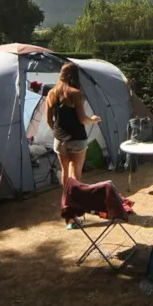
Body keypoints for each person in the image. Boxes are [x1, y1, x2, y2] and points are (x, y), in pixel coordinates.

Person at [46, 62, 101, 229]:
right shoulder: (76, 93)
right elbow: (82, 119)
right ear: (74, 76)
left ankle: (67, 209)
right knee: (75, 176)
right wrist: (94, 120)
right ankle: (72, 216)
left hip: (59, 140)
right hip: (76, 139)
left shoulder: (51, 93)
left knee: (65, 174)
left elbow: (49, 120)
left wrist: (57, 132)